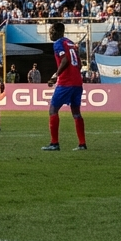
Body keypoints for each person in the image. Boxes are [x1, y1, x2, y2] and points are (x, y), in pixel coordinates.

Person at [43, 22, 87, 151]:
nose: (50, 34)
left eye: (51, 32)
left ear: (58, 32)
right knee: (76, 113)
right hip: (77, 82)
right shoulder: (71, 43)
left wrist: (57, 75)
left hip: (66, 83)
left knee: (53, 110)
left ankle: (54, 143)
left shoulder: (58, 44)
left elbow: (65, 60)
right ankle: (82, 144)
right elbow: (79, 64)